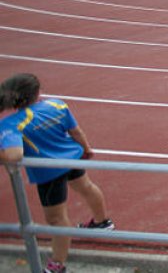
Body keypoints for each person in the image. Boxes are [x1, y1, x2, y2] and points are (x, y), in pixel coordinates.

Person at [0, 73, 113, 273]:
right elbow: (76, 131)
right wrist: (86, 149)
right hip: (70, 158)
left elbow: (13, 155)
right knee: (86, 187)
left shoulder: (11, 123)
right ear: (37, 92)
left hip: (48, 172)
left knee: (56, 219)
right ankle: (102, 221)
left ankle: (57, 265)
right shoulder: (57, 105)